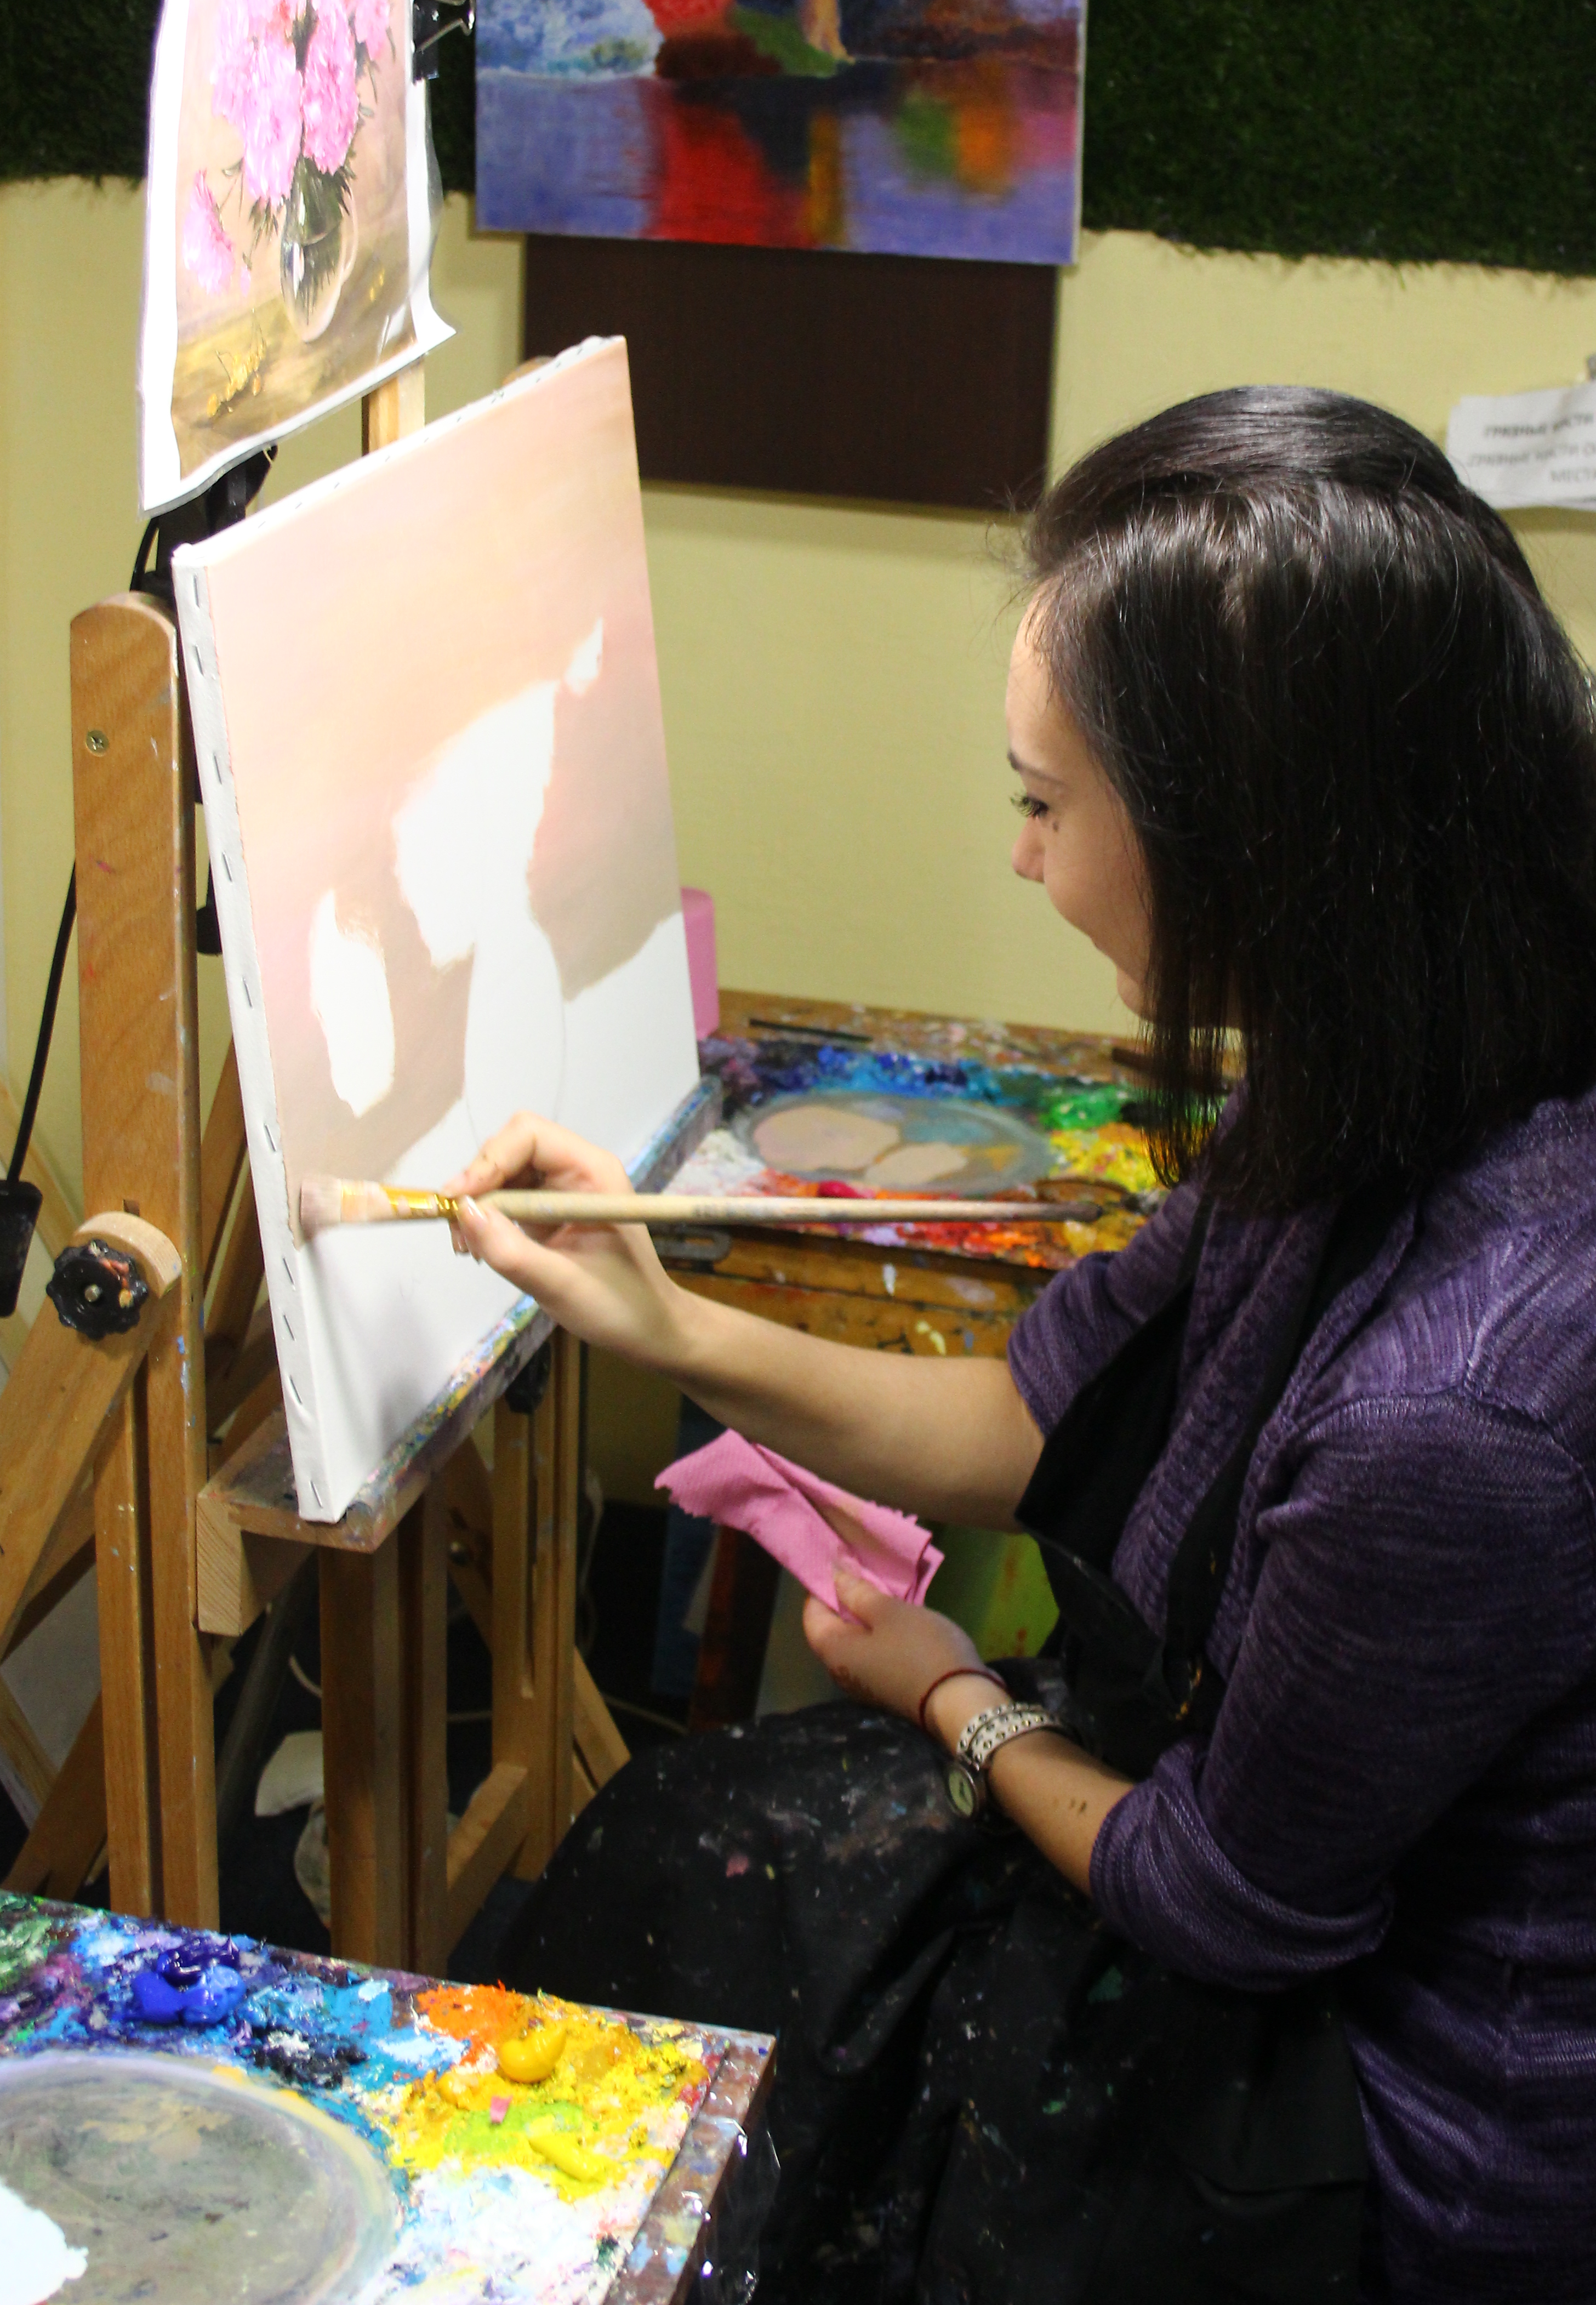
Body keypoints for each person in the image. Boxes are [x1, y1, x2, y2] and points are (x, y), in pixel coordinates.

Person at [448, 390, 1596, 2303]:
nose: (1025, 861)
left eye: (1044, 806)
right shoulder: (1391, 1052)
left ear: (1252, 845)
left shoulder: (1464, 1401)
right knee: (687, 1838)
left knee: (708, 1932)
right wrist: (663, 1320)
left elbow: (1227, 1904)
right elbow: (1032, 1415)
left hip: (1381, 2152)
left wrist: (960, 1700)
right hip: (1222, 1846)